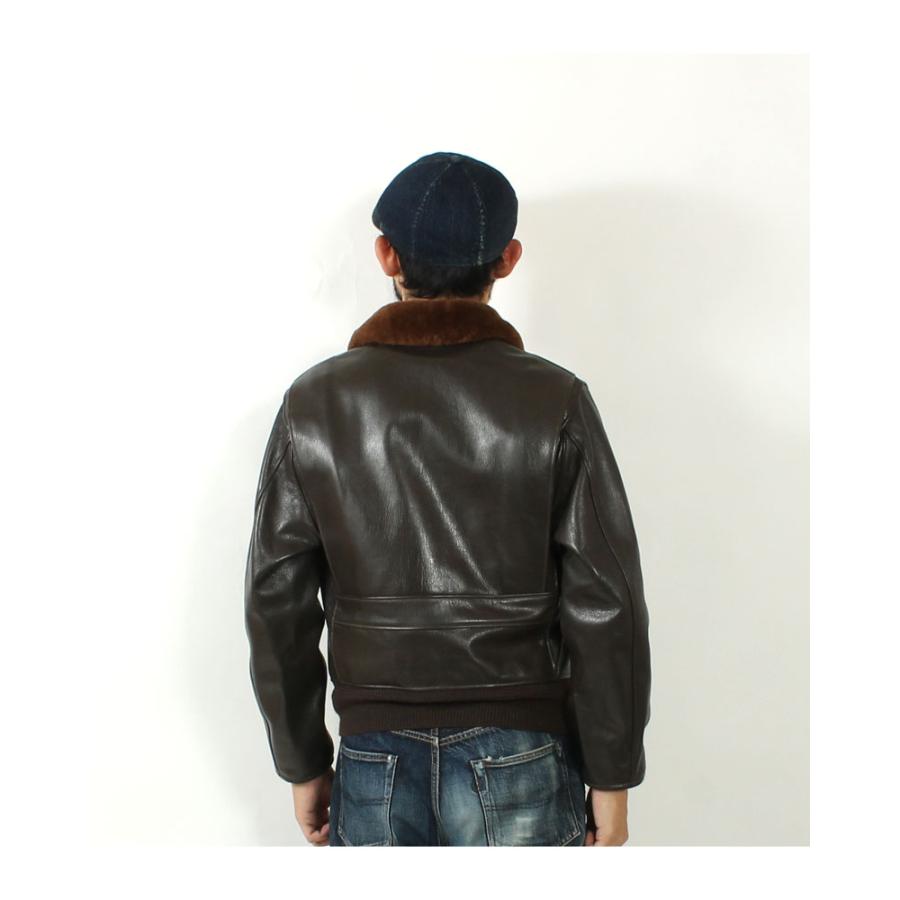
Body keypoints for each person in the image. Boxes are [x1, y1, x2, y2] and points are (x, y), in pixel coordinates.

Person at [244, 151, 651, 847]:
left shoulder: (313, 404)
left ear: (386, 255)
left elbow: (275, 598)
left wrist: (303, 759)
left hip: (372, 757)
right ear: (508, 260)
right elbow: (606, 600)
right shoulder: (555, 400)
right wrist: (611, 775)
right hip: (522, 751)